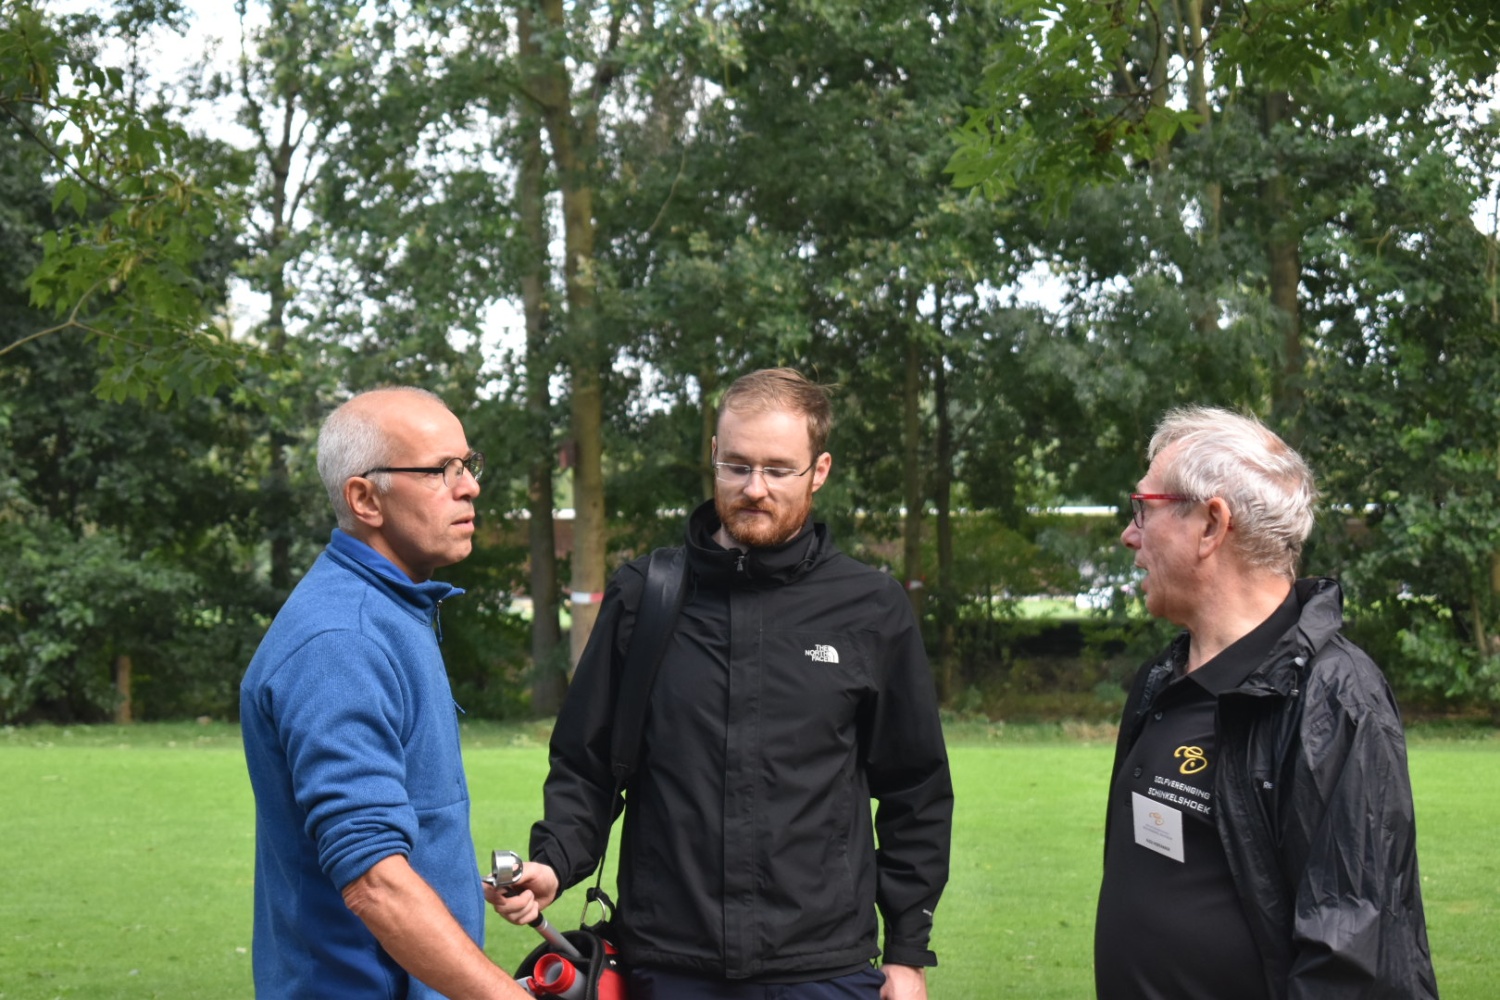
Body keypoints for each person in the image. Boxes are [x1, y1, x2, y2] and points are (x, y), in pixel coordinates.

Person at [493, 368, 953, 1000]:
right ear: (713, 454)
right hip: (668, 965)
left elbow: (915, 789)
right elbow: (586, 764)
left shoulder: (870, 607)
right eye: (736, 465)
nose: (754, 488)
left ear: (819, 471)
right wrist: (554, 861)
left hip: (823, 970)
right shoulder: (644, 597)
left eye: (778, 469)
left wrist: (907, 951)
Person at [1094, 405, 1438, 1000]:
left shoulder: (1334, 697)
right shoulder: (1162, 679)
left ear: (1211, 524)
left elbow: (1353, 965)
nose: (1130, 534)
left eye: (1143, 508)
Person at [241, 386, 529, 999]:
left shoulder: (390, 609)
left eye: (468, 464)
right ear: (365, 498)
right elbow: (374, 881)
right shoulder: (341, 640)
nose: (470, 487)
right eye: (441, 471)